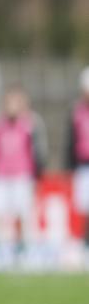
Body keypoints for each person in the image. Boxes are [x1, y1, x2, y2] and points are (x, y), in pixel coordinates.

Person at [0, 85, 47, 257]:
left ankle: (21, 247)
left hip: (22, 174)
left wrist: (39, 170)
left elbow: (38, 150)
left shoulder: (31, 124)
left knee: (22, 212)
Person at [66, 67, 89, 248]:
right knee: (84, 208)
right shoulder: (77, 112)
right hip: (83, 165)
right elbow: (71, 140)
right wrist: (69, 165)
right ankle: (84, 243)